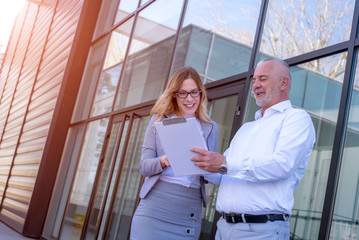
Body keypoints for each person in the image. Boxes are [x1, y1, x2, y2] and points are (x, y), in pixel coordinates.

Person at [191, 58, 315, 239]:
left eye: (262, 79)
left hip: (261, 232)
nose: (255, 85)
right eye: (254, 80)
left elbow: (282, 165)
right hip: (223, 228)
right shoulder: (246, 128)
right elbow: (225, 174)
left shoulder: (296, 119)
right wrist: (202, 165)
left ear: (284, 82)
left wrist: (224, 163)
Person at [130, 66, 218, 239]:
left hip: (188, 209)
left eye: (194, 92)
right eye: (182, 93)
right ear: (174, 95)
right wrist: (163, 160)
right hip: (155, 206)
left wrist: (208, 165)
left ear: (201, 93)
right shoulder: (158, 121)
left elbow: (210, 173)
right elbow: (144, 167)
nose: (189, 99)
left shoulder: (210, 127)